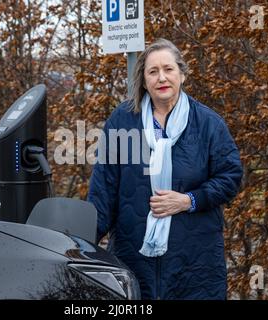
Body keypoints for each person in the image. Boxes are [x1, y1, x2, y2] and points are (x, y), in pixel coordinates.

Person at [87, 38, 243, 300]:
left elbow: (231, 177)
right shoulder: (123, 120)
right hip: (133, 259)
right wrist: (81, 244)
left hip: (195, 264)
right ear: (144, 80)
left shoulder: (208, 123)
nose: (162, 77)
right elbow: (104, 189)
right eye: (153, 71)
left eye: (168, 69)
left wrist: (188, 200)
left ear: (182, 74)